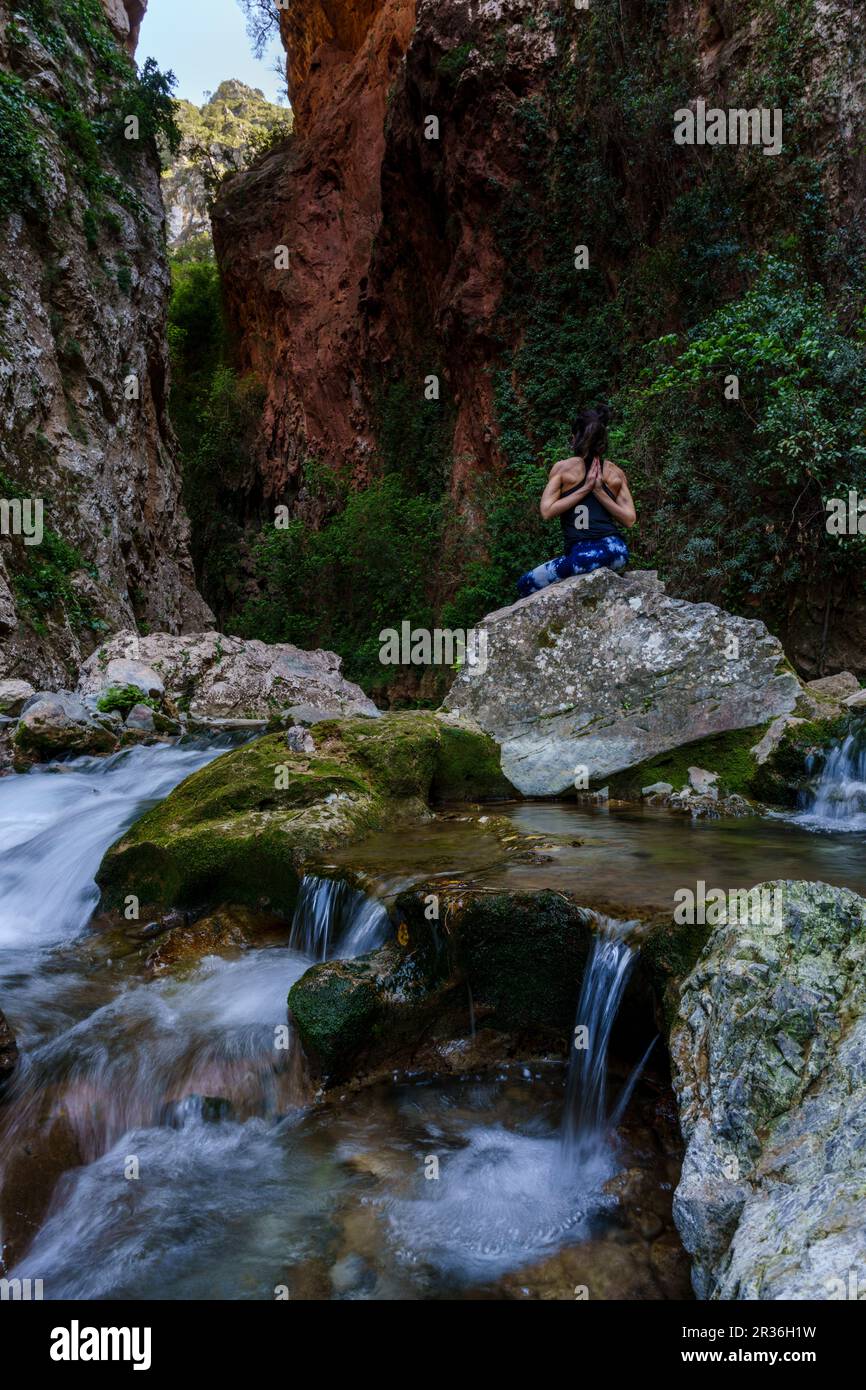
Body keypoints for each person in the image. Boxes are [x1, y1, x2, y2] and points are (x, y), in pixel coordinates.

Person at [516, 404, 636, 597]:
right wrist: (591, 489)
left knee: (525, 584)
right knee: (580, 562)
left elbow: (547, 511)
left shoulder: (563, 469)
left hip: (583, 555)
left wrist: (593, 489)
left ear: (575, 438)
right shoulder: (615, 472)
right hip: (617, 551)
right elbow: (630, 519)